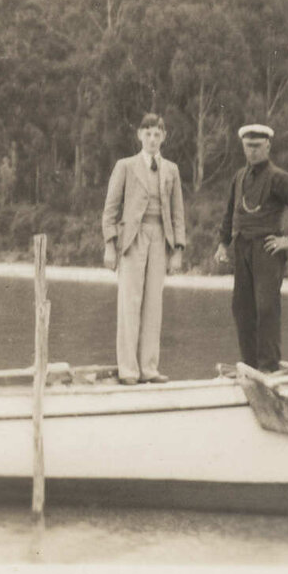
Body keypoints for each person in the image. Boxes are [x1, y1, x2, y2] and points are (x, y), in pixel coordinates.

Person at [212, 123, 288, 373]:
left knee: (266, 308)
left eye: (258, 146)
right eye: (248, 146)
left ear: (268, 146)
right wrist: (222, 244)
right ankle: (250, 366)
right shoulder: (239, 177)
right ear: (243, 147)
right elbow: (230, 213)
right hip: (242, 248)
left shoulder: (278, 177)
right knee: (242, 308)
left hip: (267, 250)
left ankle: (268, 366)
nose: (253, 152)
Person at [101, 113, 187, 384]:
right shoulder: (125, 166)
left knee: (154, 305)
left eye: (157, 134)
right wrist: (110, 246)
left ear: (164, 137)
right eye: (147, 133)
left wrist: (178, 251)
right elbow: (110, 210)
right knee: (130, 304)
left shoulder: (171, 169)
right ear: (139, 135)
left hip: (160, 239)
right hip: (131, 240)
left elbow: (178, 213)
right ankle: (128, 370)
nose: (152, 139)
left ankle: (149, 368)